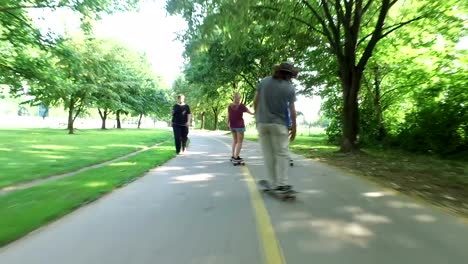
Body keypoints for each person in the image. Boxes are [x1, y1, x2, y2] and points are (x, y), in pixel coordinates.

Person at [253, 62, 298, 192]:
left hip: (262, 124)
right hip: (279, 125)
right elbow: (292, 111)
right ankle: (282, 183)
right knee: (282, 153)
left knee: (268, 154)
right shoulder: (289, 88)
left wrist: (257, 118)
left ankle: (272, 183)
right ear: (289, 75)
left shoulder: (265, 81)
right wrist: (294, 128)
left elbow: (255, 101)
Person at [228, 92, 254, 162]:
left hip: (232, 126)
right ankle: (236, 158)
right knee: (239, 142)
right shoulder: (241, 106)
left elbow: (229, 116)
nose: (239, 99)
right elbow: (251, 113)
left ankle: (233, 156)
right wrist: (255, 112)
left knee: (235, 141)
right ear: (238, 98)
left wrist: (228, 124)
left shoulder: (230, 106)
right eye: (239, 98)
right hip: (239, 126)